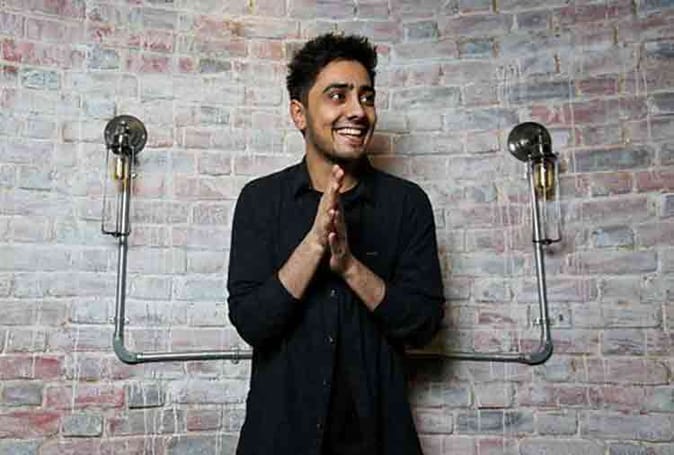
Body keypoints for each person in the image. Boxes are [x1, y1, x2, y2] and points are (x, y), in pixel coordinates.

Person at [227, 33, 445, 455]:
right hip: (279, 441)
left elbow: (423, 324)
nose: (358, 111)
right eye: (337, 96)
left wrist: (349, 267)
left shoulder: (407, 204)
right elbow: (251, 322)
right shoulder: (260, 201)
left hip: (379, 441)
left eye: (366, 97)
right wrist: (313, 245)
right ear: (299, 113)